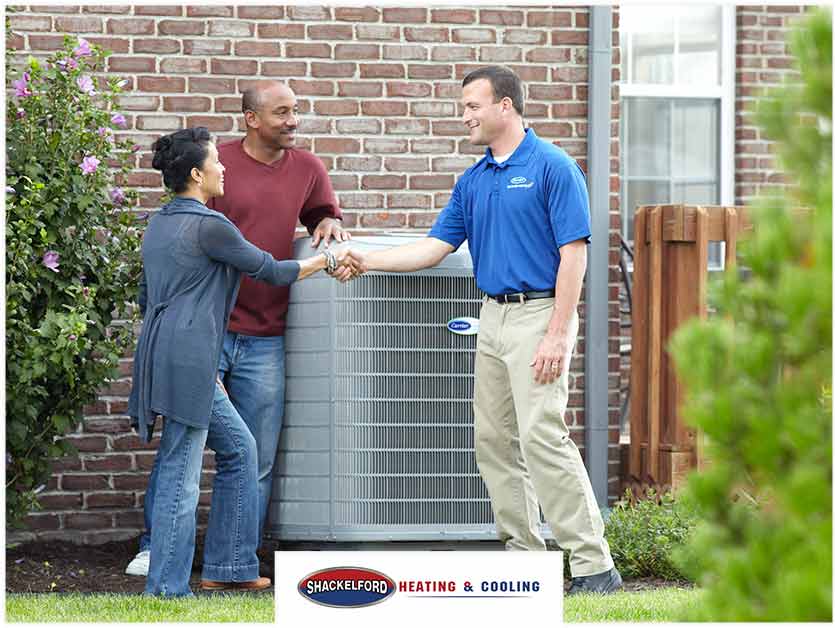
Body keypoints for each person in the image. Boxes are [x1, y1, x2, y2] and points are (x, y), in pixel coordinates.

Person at [336, 66, 621, 595]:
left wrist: (558, 334)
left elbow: (574, 256)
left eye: (472, 106)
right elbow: (433, 248)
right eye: (464, 106)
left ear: (505, 106)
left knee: (542, 435)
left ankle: (592, 566)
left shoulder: (554, 167)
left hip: (540, 315)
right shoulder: (473, 180)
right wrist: (367, 259)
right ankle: (525, 562)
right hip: (492, 318)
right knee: (493, 442)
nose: (463, 116)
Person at [126, 82, 350, 578]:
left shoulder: (163, 220)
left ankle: (227, 563)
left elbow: (149, 292)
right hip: (205, 340)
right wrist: (329, 262)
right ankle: (163, 568)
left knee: (242, 452)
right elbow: (267, 266)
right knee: (185, 460)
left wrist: (330, 222)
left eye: (296, 111)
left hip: (248, 336)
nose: (293, 121)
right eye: (281, 112)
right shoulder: (210, 204)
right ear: (251, 117)